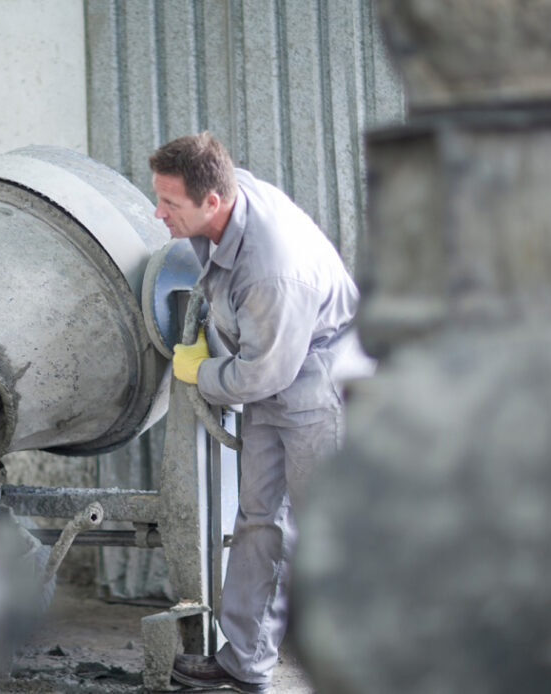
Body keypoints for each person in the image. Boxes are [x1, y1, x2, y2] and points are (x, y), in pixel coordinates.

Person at [150, 132, 366, 694]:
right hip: (278, 369)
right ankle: (244, 662)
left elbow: (262, 374)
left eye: (170, 204)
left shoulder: (273, 270)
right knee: (260, 520)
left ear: (212, 202)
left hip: (318, 378)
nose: (158, 213)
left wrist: (201, 372)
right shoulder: (228, 192)